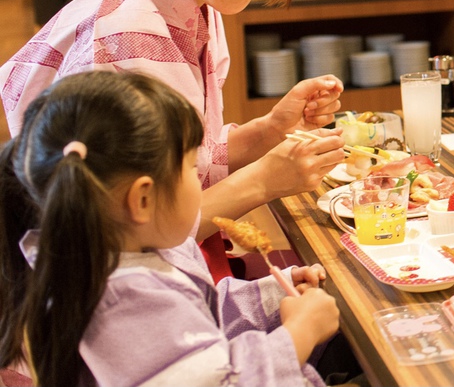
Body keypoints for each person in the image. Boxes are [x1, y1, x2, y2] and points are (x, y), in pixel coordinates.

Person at [0, 0, 345, 281]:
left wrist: (267, 132)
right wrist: (265, 179)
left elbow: (180, 163)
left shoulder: (196, 3)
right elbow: (127, 240)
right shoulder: (131, 36)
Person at [0, 71, 339, 385]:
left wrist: (273, 294)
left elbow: (196, 318)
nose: (200, 180)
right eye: (192, 168)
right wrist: (299, 333)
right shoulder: (122, 301)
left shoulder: (132, 248)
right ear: (142, 199)